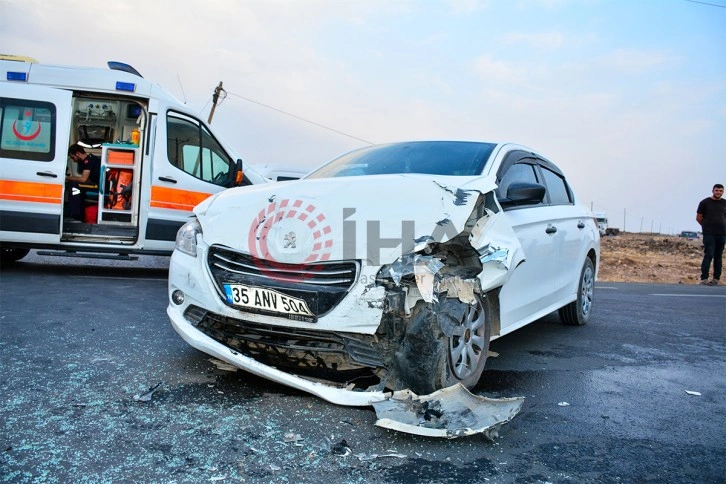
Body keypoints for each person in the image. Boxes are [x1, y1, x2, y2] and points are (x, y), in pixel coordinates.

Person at [696, 183, 726, 286]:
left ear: (723, 192)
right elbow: (699, 217)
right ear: (712, 191)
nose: (718, 192)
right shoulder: (705, 202)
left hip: (722, 234)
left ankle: (716, 279)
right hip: (709, 234)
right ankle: (704, 278)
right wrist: (706, 227)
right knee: (709, 255)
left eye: (721, 191)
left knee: (718, 256)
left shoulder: (724, 203)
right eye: (717, 190)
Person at [66, 144, 102, 221]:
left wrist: (67, 178)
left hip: (100, 186)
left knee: (74, 186)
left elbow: (83, 180)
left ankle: (76, 216)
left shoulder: (89, 161)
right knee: (75, 185)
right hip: (95, 184)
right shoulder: (84, 162)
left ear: (78, 153)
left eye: (73, 157)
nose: (73, 160)